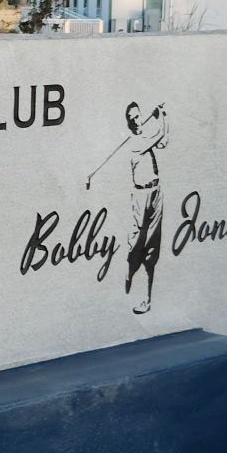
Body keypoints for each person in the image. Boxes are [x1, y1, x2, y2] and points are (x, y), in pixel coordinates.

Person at [87, 102, 168, 314]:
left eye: (137, 116)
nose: (136, 120)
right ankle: (130, 272)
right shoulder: (134, 142)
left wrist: (163, 118)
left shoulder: (144, 138)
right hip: (140, 194)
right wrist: (162, 118)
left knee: (153, 242)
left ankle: (147, 297)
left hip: (156, 192)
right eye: (131, 118)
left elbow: (164, 141)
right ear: (128, 122)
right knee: (136, 242)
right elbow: (159, 136)